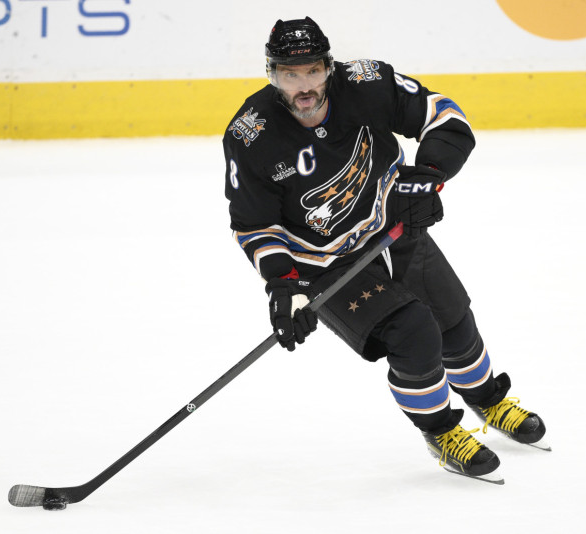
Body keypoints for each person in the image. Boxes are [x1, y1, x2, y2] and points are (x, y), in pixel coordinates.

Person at [222, 16, 549, 484]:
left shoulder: (366, 83)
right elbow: (255, 225)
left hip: (392, 229)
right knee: (414, 332)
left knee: (454, 322)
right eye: (290, 75)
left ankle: (488, 400)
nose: (304, 87)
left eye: (313, 71)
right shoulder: (250, 134)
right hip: (324, 265)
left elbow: (444, 115)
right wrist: (283, 283)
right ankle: (441, 431)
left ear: (329, 67)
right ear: (271, 74)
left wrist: (429, 175)